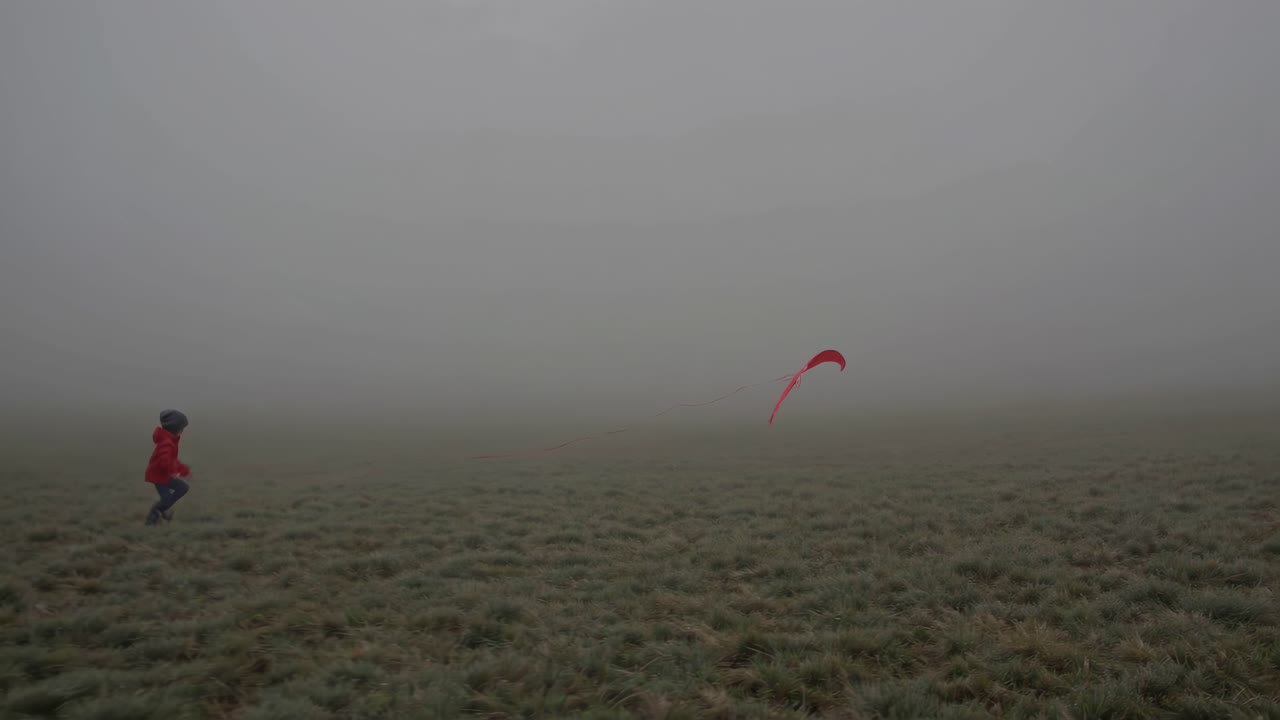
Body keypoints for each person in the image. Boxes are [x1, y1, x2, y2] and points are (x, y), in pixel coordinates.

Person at [145, 409, 192, 526]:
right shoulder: (167, 443)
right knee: (181, 489)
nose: (182, 431)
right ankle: (155, 514)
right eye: (181, 428)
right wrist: (175, 471)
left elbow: (172, 460)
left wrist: (183, 470)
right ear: (175, 428)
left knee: (167, 497)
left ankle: (161, 512)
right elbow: (165, 462)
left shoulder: (170, 441)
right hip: (159, 475)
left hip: (161, 474)